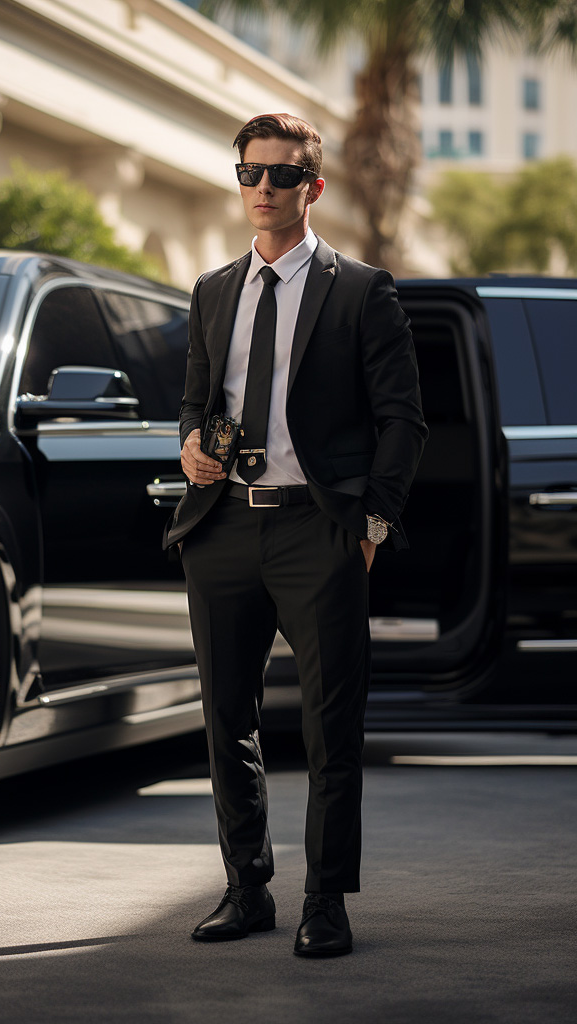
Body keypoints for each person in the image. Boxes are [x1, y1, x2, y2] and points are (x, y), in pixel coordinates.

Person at [165, 113, 427, 957]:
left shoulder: (362, 290)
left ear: (313, 187)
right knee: (225, 723)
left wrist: (372, 522)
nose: (264, 189)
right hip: (224, 532)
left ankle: (325, 902)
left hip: (321, 531)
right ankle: (247, 890)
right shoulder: (212, 290)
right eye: (250, 174)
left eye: (281, 176)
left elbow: (404, 422)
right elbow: (196, 401)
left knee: (329, 729)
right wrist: (193, 445)